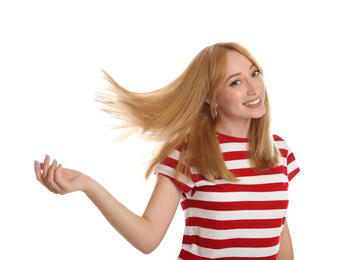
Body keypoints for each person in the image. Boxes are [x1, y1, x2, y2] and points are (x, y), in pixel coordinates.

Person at [34, 42, 300, 260]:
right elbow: (148, 238)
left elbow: (279, 230)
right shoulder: (189, 154)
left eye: (255, 73)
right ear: (210, 96)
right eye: (235, 82)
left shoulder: (280, 151)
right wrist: (89, 186)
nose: (254, 88)